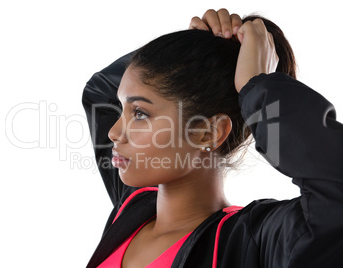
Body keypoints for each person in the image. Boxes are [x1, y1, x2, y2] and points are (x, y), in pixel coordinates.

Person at [82, 8, 343, 267]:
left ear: (209, 133)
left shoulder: (251, 242)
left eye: (139, 113)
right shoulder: (132, 210)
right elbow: (101, 91)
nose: (114, 133)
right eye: (122, 108)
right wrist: (191, 50)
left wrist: (259, 86)